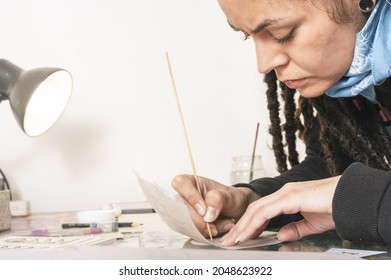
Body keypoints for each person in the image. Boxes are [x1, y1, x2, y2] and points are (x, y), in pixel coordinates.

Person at [171, 0, 391, 246]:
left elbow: (348, 189)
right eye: (248, 37)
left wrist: (356, 197)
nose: (263, 64)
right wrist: (251, 200)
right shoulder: (353, 86)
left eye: (283, 35)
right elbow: (332, 167)